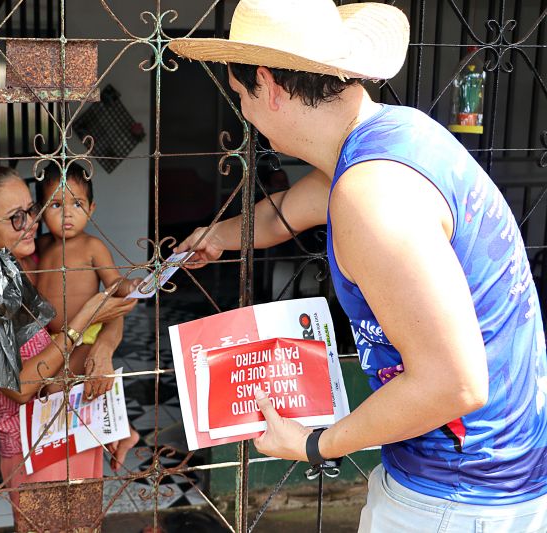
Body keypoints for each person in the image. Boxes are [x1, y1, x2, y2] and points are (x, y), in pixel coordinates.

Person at [169, 0, 547, 531]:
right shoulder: (391, 136)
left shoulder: (373, 197)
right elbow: (287, 214)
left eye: (239, 96)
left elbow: (454, 385)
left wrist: (313, 444)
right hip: (480, 479)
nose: (244, 112)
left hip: (458, 497)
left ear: (268, 85)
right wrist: (217, 238)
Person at [0, 165, 137, 508]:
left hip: (76, 429)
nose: (32, 223)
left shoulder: (32, 261)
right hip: (36, 452)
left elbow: (111, 305)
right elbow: (21, 388)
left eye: (31, 211)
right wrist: (84, 320)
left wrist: (104, 351)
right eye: (15, 218)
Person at [35, 163, 140, 468]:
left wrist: (128, 285)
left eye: (77, 204)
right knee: (69, 391)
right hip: (55, 339)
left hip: (85, 334)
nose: (67, 213)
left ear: (91, 209)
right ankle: (123, 433)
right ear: (41, 211)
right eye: (56, 205)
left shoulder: (93, 246)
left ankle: (111, 435)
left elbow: (113, 282)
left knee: (57, 388)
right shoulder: (41, 246)